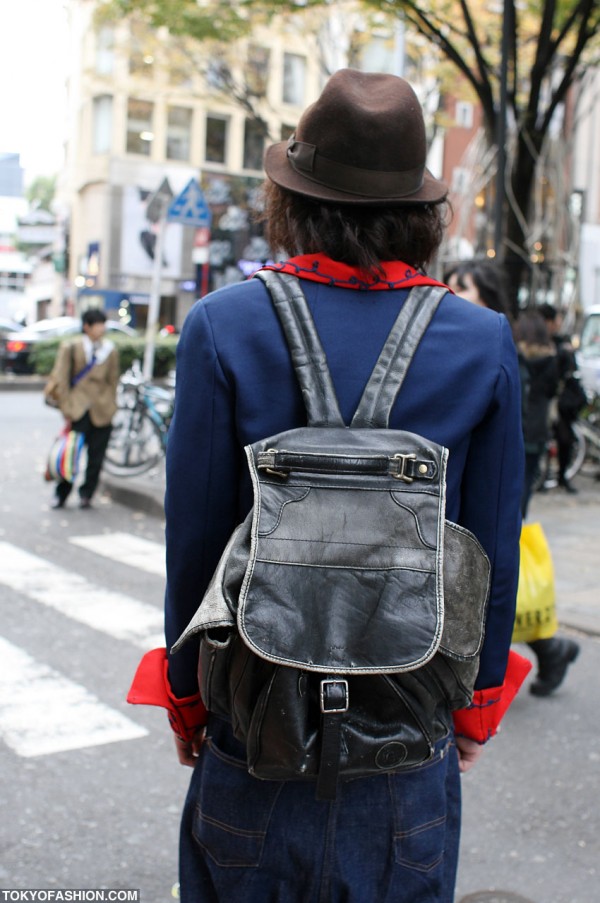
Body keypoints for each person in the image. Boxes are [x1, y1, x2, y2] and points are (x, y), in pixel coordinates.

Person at [128, 70, 530, 902]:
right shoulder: (481, 339)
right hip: (406, 740)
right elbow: (491, 544)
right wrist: (476, 705)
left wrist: (185, 701)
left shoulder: (222, 326)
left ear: (295, 199)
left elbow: (196, 539)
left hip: (254, 731)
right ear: (420, 211)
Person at [447, 259, 580, 697]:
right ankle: (547, 648)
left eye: (461, 286)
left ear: (485, 294)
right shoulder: (463, 338)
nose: (450, 291)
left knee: (492, 560)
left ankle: (543, 648)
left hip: (507, 468)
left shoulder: (497, 344)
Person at [44, 308, 119, 509]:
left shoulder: (110, 350)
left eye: (103, 324)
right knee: (70, 455)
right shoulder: (72, 348)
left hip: (103, 410)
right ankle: (62, 494)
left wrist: (111, 406)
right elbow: (60, 378)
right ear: (87, 326)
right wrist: (67, 407)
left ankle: (87, 494)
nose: (101, 328)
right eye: (97, 324)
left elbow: (113, 381)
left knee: (97, 456)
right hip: (78, 409)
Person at [539, 302, 586, 493]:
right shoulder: (540, 343)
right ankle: (544, 477)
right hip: (545, 400)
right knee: (544, 441)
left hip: (560, 402)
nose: (557, 324)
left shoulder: (560, 344)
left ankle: (561, 477)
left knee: (564, 440)